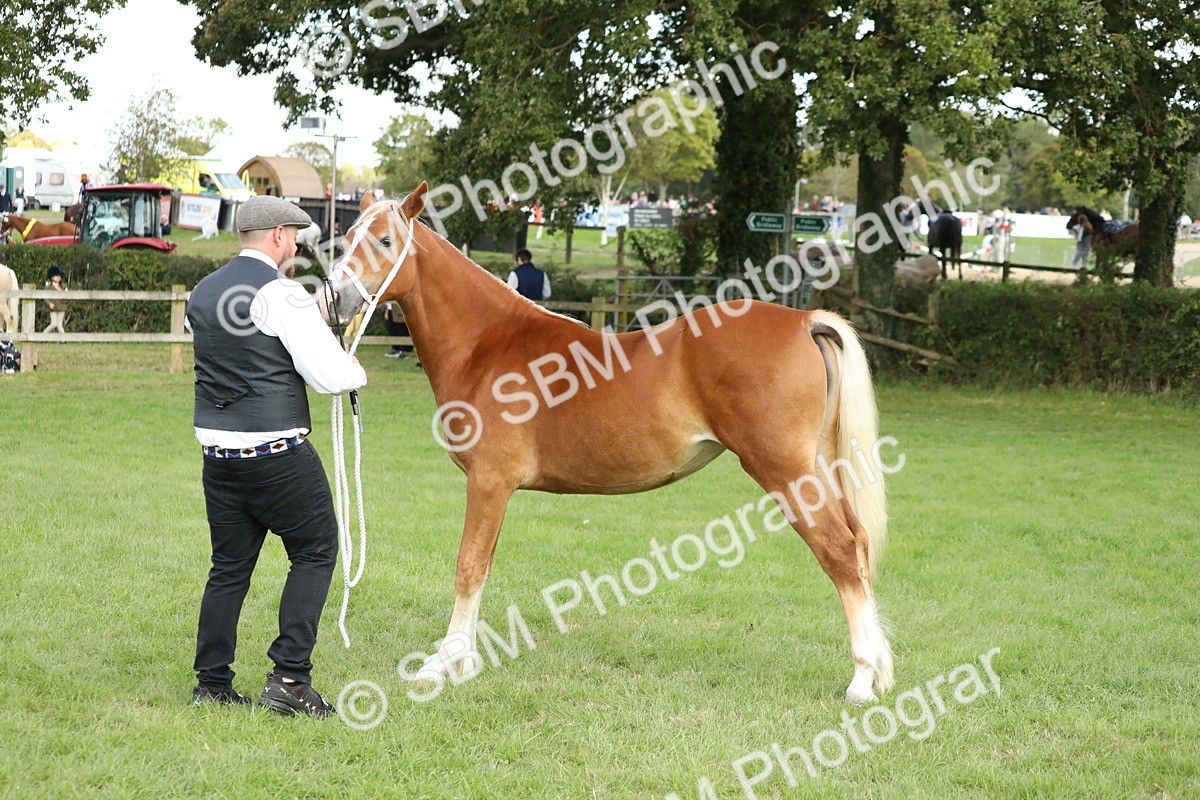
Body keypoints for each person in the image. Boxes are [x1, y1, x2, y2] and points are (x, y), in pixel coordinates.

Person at [187, 194, 366, 716]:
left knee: (229, 567)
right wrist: (356, 370)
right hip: (276, 453)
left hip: (218, 455)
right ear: (278, 236)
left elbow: (242, 348)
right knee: (315, 550)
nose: (294, 246)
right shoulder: (281, 292)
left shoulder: (203, 292)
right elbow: (330, 376)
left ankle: (212, 683)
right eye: (293, 236)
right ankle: (289, 679)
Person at [44, 266, 68, 333]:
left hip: (61, 307)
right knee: (53, 324)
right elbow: (45, 297)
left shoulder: (63, 286)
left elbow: (67, 296)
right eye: (56, 275)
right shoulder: (48, 287)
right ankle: (42, 336)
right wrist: (49, 304)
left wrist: (60, 290)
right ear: (51, 277)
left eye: (59, 275)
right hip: (53, 308)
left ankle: (63, 340)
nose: (58, 277)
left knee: (59, 325)